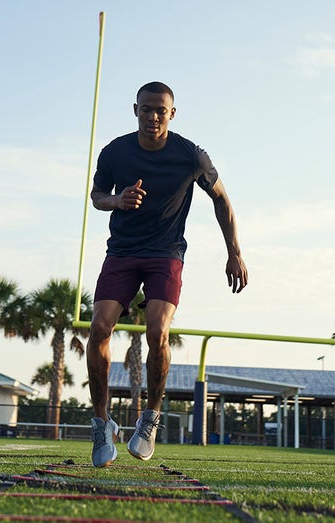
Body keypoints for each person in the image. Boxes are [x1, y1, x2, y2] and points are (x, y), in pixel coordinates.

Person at [86, 81, 248, 467]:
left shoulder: (190, 155)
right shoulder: (115, 151)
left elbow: (222, 199)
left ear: (171, 114)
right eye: (146, 109)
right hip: (122, 252)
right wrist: (117, 200)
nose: (153, 116)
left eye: (161, 110)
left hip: (165, 253)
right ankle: (101, 422)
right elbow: (96, 198)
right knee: (98, 328)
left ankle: (150, 419)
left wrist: (234, 253)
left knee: (158, 330)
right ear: (135, 110)